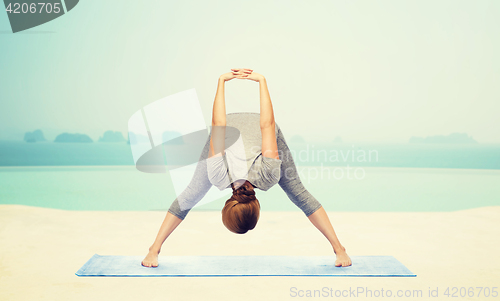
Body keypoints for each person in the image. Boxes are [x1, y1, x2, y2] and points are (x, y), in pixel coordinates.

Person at [142, 68, 352, 268]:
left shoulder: (231, 175)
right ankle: (153, 249)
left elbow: (227, 126)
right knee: (298, 194)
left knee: (192, 194)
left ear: (258, 206)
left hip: (230, 130)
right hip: (233, 129)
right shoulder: (257, 175)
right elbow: (260, 126)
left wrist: (249, 81)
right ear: (226, 204)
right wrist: (235, 81)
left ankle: (340, 250)